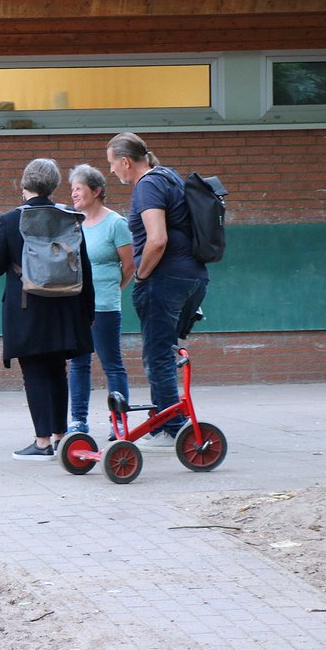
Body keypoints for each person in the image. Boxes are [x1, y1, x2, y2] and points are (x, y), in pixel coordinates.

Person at [0, 158, 95, 460]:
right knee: (58, 370)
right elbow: (84, 267)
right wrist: (88, 312)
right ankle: (61, 437)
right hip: (65, 306)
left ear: (24, 184)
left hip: (27, 308)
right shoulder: (70, 216)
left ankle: (42, 441)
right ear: (54, 185)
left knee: (33, 373)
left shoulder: (10, 220)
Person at [106, 132, 209, 445]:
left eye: (112, 163)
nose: (111, 170)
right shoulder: (169, 177)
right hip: (194, 278)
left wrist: (141, 275)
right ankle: (166, 418)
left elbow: (157, 238)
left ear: (126, 161)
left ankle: (173, 427)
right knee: (163, 352)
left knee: (158, 355)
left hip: (165, 280)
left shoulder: (148, 184)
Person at [67, 164, 134, 439]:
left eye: (79, 188)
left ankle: (118, 423)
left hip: (105, 306)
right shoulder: (72, 223)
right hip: (76, 306)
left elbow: (129, 265)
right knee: (78, 364)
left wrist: (112, 290)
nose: (74, 194)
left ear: (96, 191)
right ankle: (79, 422)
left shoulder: (116, 224)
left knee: (111, 364)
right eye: (72, 189)